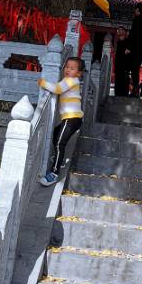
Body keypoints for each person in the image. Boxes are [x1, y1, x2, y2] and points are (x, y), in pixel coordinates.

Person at [39, 55, 83, 186]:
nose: (68, 70)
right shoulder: (67, 80)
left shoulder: (71, 80)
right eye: (67, 67)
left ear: (78, 73)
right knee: (56, 134)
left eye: (72, 68)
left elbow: (57, 89)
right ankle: (60, 159)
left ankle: (54, 173)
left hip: (72, 118)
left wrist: (42, 82)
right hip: (70, 119)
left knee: (59, 143)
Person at [125, 2, 142, 97]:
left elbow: (134, 35)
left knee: (134, 69)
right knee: (135, 69)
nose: (134, 11)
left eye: (136, 9)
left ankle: (134, 90)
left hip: (136, 49)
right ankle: (135, 89)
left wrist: (128, 47)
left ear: (138, 10)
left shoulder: (138, 20)